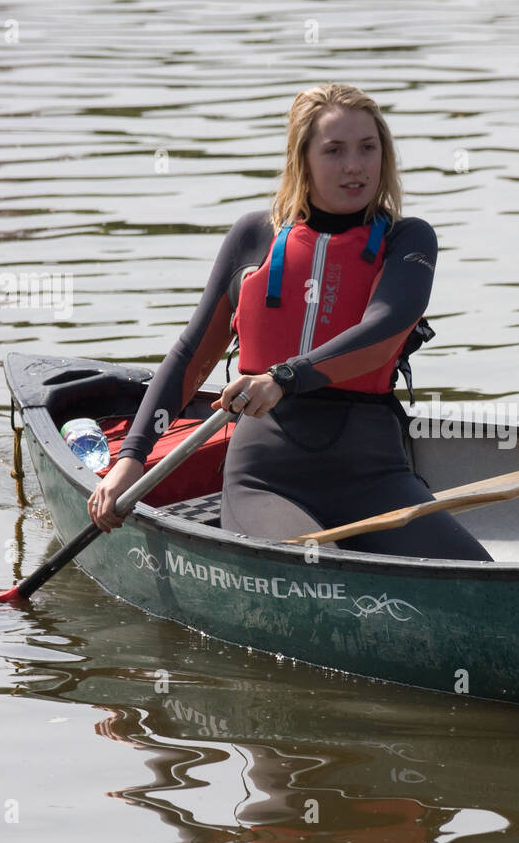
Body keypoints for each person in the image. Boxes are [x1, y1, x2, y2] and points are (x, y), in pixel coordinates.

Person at [87, 83, 492, 562]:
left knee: (479, 577)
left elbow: (386, 328)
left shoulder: (409, 239)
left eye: (368, 148)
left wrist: (284, 377)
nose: (355, 165)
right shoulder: (252, 236)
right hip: (267, 478)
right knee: (316, 572)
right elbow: (191, 356)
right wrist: (131, 459)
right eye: (334, 151)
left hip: (375, 475)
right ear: (302, 159)